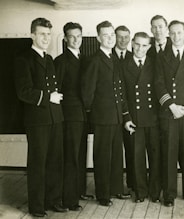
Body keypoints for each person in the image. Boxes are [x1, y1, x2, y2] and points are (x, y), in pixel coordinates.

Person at [14, 17, 68, 217]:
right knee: (38, 163)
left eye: (48, 34)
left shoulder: (48, 59)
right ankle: (36, 206)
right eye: (42, 34)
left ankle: (53, 200)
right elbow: (23, 91)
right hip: (37, 120)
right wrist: (48, 97)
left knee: (55, 161)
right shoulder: (23, 59)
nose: (46, 38)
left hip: (55, 118)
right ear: (32, 35)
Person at [149, 15, 184, 197]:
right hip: (169, 113)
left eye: (179, 32)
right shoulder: (161, 56)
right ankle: (169, 195)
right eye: (172, 33)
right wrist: (171, 105)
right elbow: (158, 83)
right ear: (168, 34)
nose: (176, 36)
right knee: (169, 156)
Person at [81, 20, 131, 207]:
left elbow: (120, 90)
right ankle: (103, 194)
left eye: (112, 35)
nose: (110, 38)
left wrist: (124, 115)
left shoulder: (114, 58)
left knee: (117, 155)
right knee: (103, 156)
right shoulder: (95, 60)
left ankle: (116, 188)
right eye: (106, 35)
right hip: (103, 118)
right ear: (98, 38)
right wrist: (96, 113)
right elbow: (87, 93)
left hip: (116, 116)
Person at [54, 22, 91, 211]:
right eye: (72, 36)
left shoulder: (84, 59)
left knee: (81, 154)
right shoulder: (61, 61)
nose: (76, 40)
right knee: (71, 157)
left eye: (79, 36)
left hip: (83, 115)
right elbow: (56, 92)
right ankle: (69, 199)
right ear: (65, 38)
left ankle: (79, 191)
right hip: (69, 117)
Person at [122, 32, 161, 203]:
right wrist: (126, 117)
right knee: (137, 158)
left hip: (153, 119)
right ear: (132, 44)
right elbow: (121, 95)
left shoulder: (155, 64)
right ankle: (140, 192)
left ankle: (154, 192)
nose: (140, 48)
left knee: (155, 157)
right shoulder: (123, 65)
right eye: (137, 44)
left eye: (144, 45)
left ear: (149, 47)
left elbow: (160, 90)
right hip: (134, 120)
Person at [112, 25, 134, 191]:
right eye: (120, 37)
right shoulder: (108, 56)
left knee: (132, 149)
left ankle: (133, 184)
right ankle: (116, 185)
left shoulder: (134, 57)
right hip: (111, 113)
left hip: (130, 113)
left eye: (126, 37)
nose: (123, 40)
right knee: (114, 152)